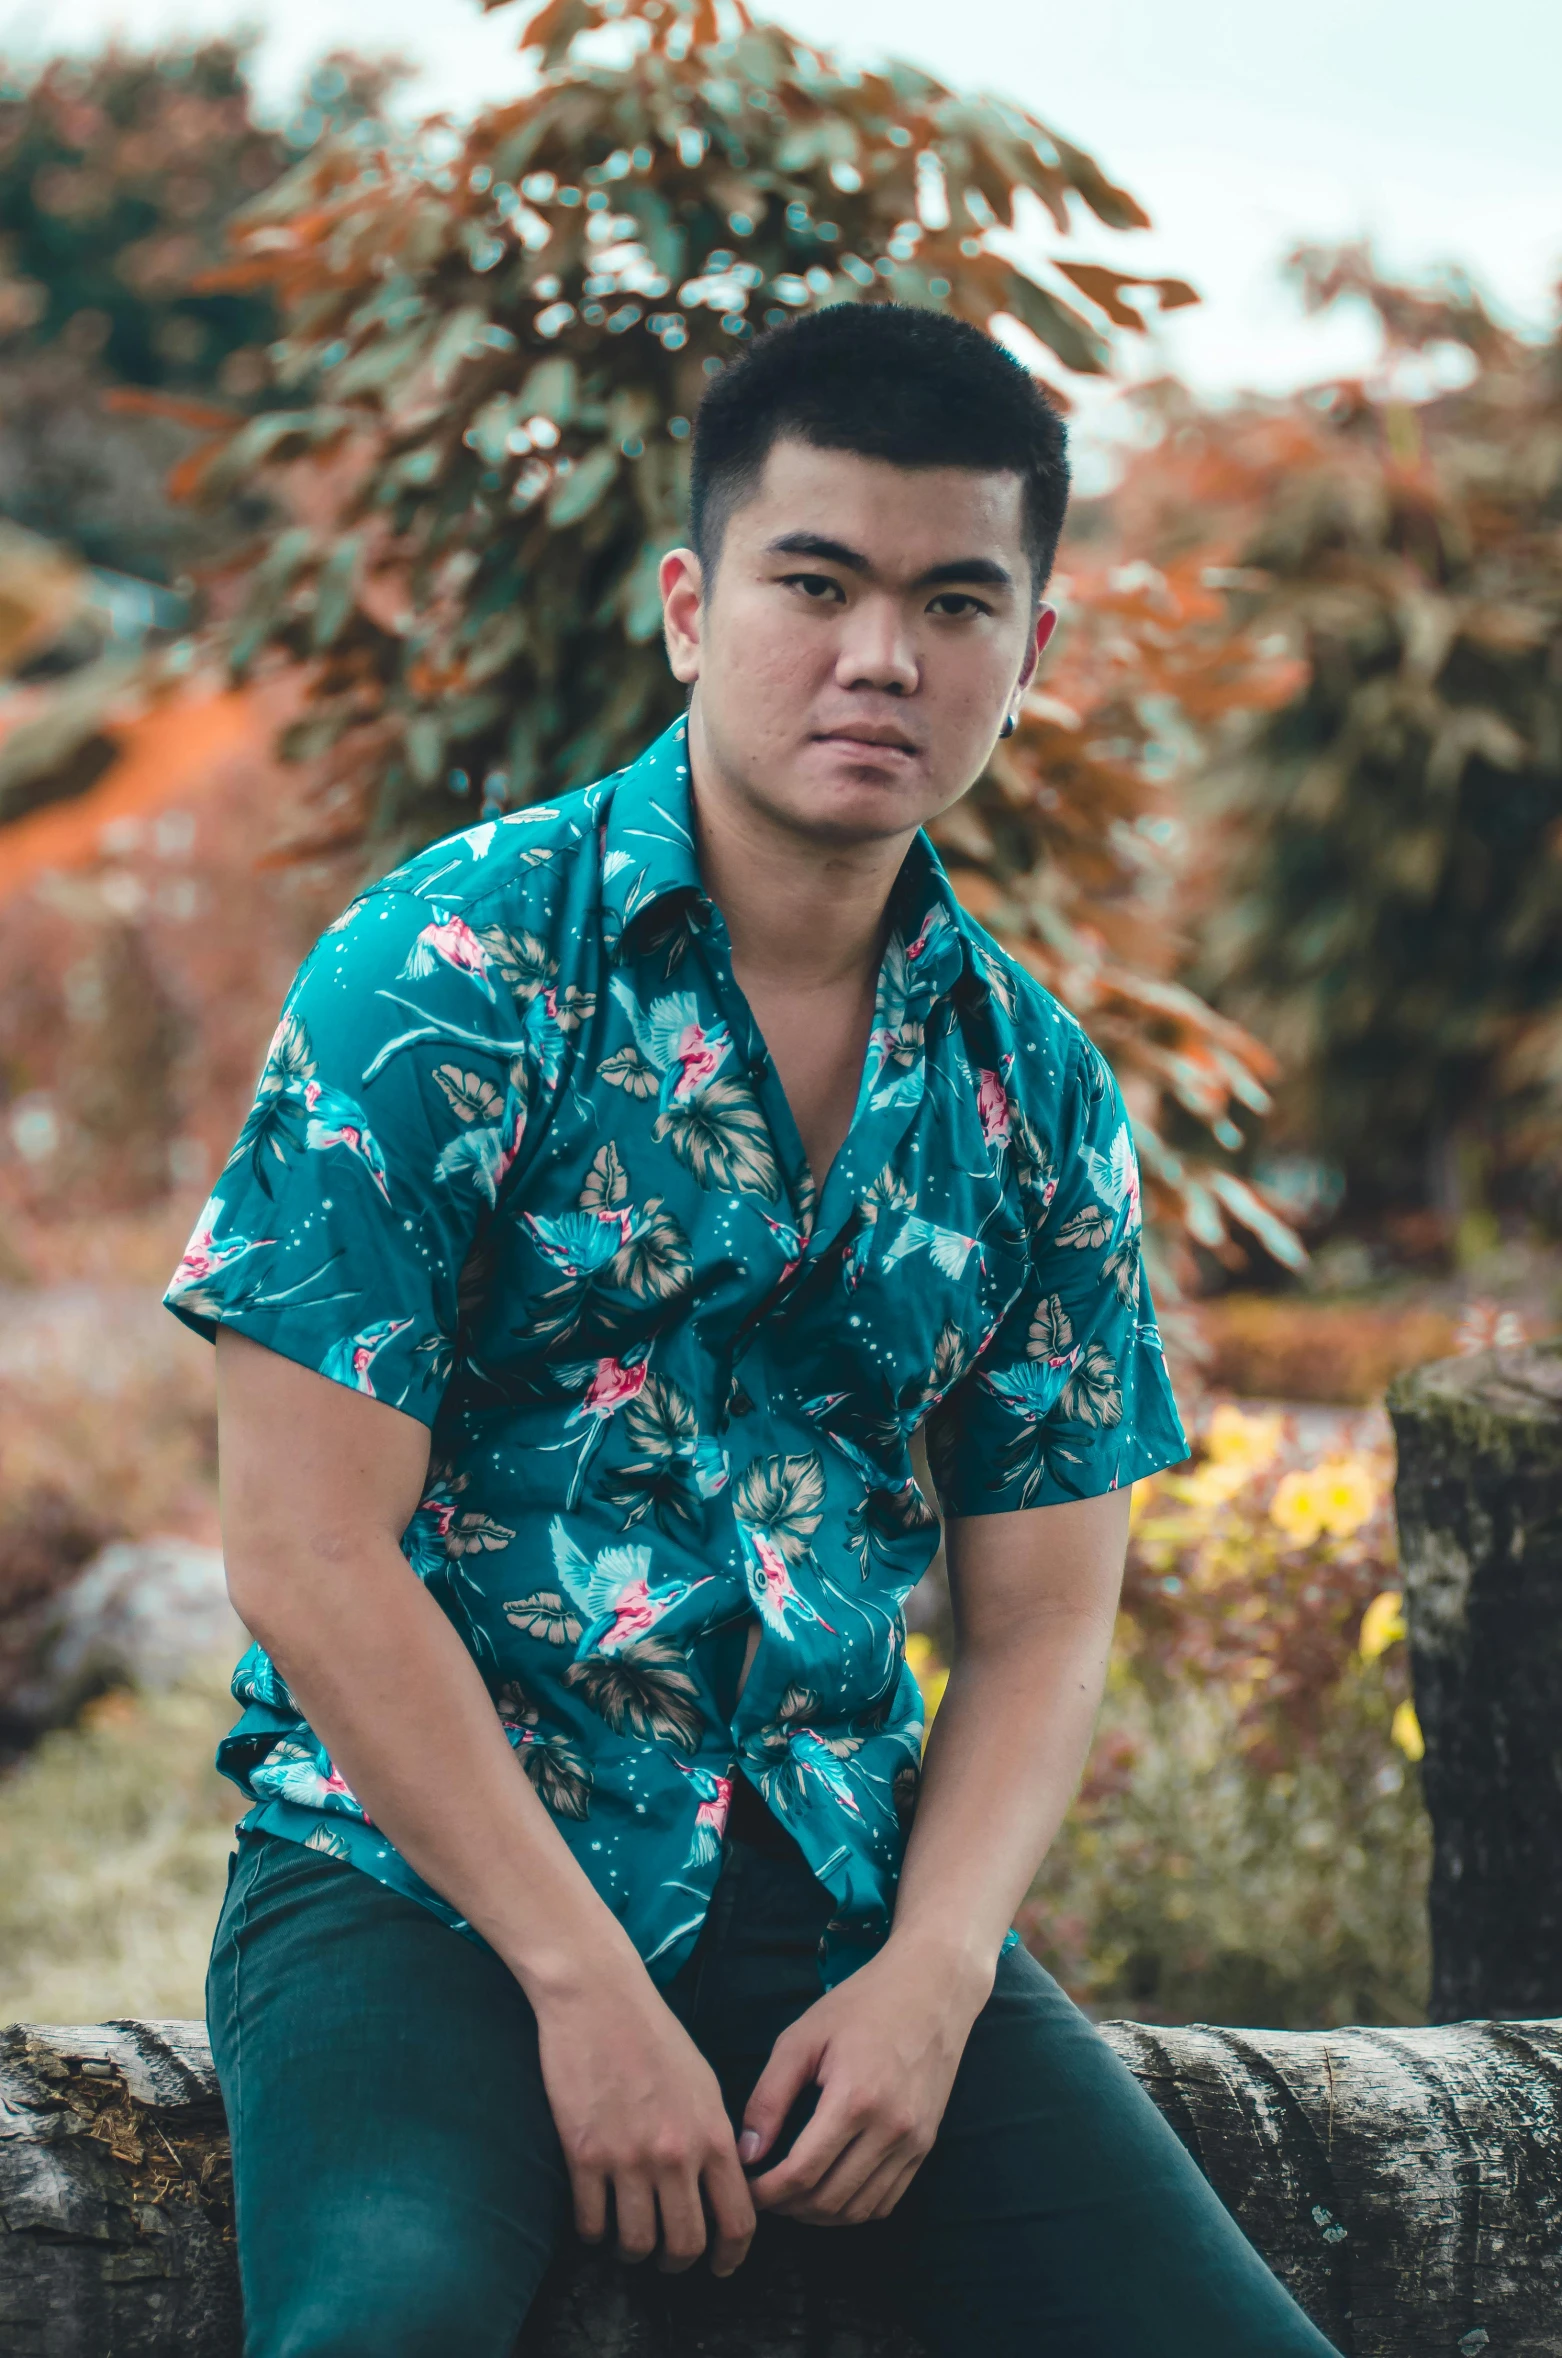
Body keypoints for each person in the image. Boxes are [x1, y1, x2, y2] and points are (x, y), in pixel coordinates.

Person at [168, 302, 1340, 2358]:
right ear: (694, 606)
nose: (881, 656)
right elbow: (303, 1545)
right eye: (818, 583)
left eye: (953, 601)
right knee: (381, 2331)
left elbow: (1047, 1617)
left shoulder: (1032, 1093)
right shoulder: (449, 972)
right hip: (423, 1889)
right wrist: (579, 1984)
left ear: (1027, 655)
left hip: (835, 1887)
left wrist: (940, 1972)